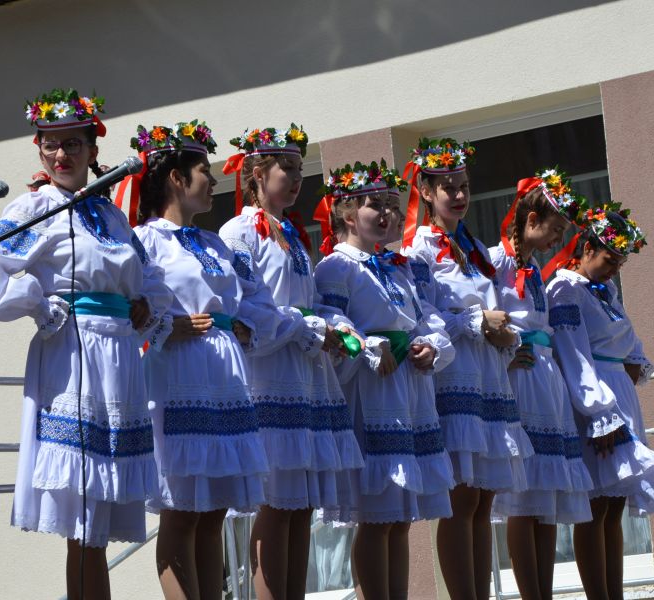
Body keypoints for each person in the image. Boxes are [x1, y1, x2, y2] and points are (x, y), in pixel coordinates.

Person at [0, 88, 172, 600]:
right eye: (50, 144)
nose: (61, 154)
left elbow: (150, 276)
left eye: (73, 143)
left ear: (93, 150)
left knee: (98, 519)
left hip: (118, 360)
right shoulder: (38, 207)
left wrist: (144, 304)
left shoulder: (111, 215)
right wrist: (35, 302)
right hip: (75, 356)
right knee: (82, 514)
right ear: (39, 150)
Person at [127, 120, 282, 600]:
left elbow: (250, 297)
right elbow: (132, 303)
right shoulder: (145, 239)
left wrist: (245, 325)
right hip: (181, 372)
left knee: (213, 510)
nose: (213, 181)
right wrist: (163, 325)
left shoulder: (214, 242)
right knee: (182, 511)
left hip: (223, 373)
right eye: (204, 172)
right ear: (176, 178)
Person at [219, 125, 364, 600]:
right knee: (277, 503)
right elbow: (247, 306)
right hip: (271, 375)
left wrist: (337, 326)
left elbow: (310, 302)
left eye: (301, 169)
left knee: (301, 506)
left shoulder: (292, 236)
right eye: (288, 168)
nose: (298, 178)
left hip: (305, 376)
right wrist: (306, 329)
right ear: (258, 173)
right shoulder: (239, 232)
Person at [314, 160, 454, 600]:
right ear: (347, 213)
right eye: (376, 205)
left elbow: (425, 317)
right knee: (377, 516)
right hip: (372, 390)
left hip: (408, 390)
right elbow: (331, 319)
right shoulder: (337, 267)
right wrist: (370, 347)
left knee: (399, 519)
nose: (388, 214)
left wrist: (431, 345)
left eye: (393, 205)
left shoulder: (398, 266)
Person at [401, 138, 531, 599]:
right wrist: (477, 322)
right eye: (448, 187)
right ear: (426, 192)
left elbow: (495, 307)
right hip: (454, 375)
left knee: (483, 497)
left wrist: (506, 336)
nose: (458, 195)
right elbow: (424, 314)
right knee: (461, 497)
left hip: (487, 375)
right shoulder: (418, 248)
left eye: (464, 186)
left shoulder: (474, 247)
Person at [545, 202, 654, 600]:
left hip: (620, 397)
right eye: (609, 260)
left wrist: (632, 365)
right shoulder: (565, 290)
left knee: (614, 507)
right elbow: (573, 353)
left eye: (620, 262)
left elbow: (629, 343)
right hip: (595, 403)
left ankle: (614, 593)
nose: (614, 269)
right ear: (586, 249)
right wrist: (599, 413)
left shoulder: (605, 291)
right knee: (594, 507)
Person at [489, 170, 595, 600]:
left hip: (544, 379)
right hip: (521, 380)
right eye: (555, 229)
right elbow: (488, 317)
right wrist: (504, 354)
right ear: (531, 219)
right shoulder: (497, 261)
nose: (557, 240)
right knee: (524, 497)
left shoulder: (532, 268)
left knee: (545, 499)